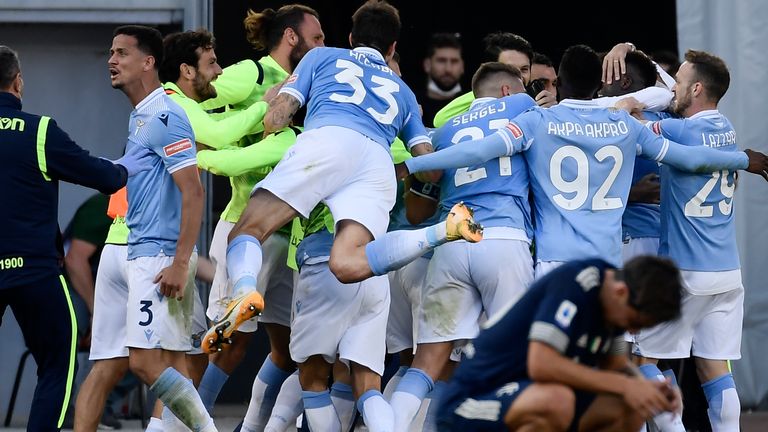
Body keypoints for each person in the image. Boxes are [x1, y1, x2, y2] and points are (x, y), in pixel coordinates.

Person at [221, 0, 481, 352]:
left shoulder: (321, 56)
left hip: (327, 140)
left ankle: (243, 290)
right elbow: (432, 168)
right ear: (392, 48)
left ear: (349, 37)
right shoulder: (403, 92)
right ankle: (441, 231)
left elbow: (276, 120)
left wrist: (274, 105)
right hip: (375, 163)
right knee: (347, 263)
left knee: (248, 229)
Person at [400, 44, 768, 275]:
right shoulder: (624, 124)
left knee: (548, 365)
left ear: (558, 81)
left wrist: (415, 164)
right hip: (608, 263)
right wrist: (739, 159)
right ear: (598, 83)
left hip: (554, 262)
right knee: (614, 365)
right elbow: (689, 155)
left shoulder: (538, 120)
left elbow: (482, 149)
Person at [0, 44, 150, 431]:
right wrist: (125, 166)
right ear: (18, 83)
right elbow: (103, 177)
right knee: (57, 362)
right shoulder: (38, 131)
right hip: (34, 272)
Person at [192, 6, 326, 428]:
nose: (322, 45)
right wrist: (216, 146)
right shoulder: (252, 73)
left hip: (290, 232)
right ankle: (185, 422)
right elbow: (196, 94)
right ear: (291, 37)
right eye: (317, 37)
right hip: (244, 223)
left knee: (286, 352)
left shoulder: (305, 82)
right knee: (226, 345)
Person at [389, 62, 538, 430]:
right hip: (504, 238)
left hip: (452, 242)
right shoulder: (523, 108)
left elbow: (418, 205)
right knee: (515, 357)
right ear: (507, 90)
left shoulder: (443, 131)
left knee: (430, 360)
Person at [633, 50, 750, 432]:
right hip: (728, 274)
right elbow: (676, 95)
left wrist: (632, 103)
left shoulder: (683, 130)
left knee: (641, 361)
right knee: (714, 367)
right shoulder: (728, 128)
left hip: (685, 272)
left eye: (680, 83)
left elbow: (633, 124)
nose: (672, 91)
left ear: (697, 88)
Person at [106, 25, 213, 430]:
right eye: (111, 53)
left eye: (122, 53)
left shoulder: (165, 115)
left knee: (145, 363)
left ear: (148, 62)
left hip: (160, 257)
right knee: (174, 366)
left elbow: (194, 192)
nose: (111, 61)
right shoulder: (141, 117)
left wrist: (180, 263)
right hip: (150, 253)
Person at [436, 256, 684, 431]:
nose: (632, 330)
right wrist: (626, 386)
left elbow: (617, 365)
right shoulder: (575, 285)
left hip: (527, 398)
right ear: (621, 292)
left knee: (630, 406)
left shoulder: (616, 306)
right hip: (471, 401)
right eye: (634, 321)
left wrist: (648, 389)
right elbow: (542, 365)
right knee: (557, 400)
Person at [416, 32, 465, 127]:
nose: (448, 69)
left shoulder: (473, 106)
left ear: (462, 66)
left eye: (454, 61)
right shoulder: (412, 103)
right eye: (441, 61)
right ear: (427, 64)